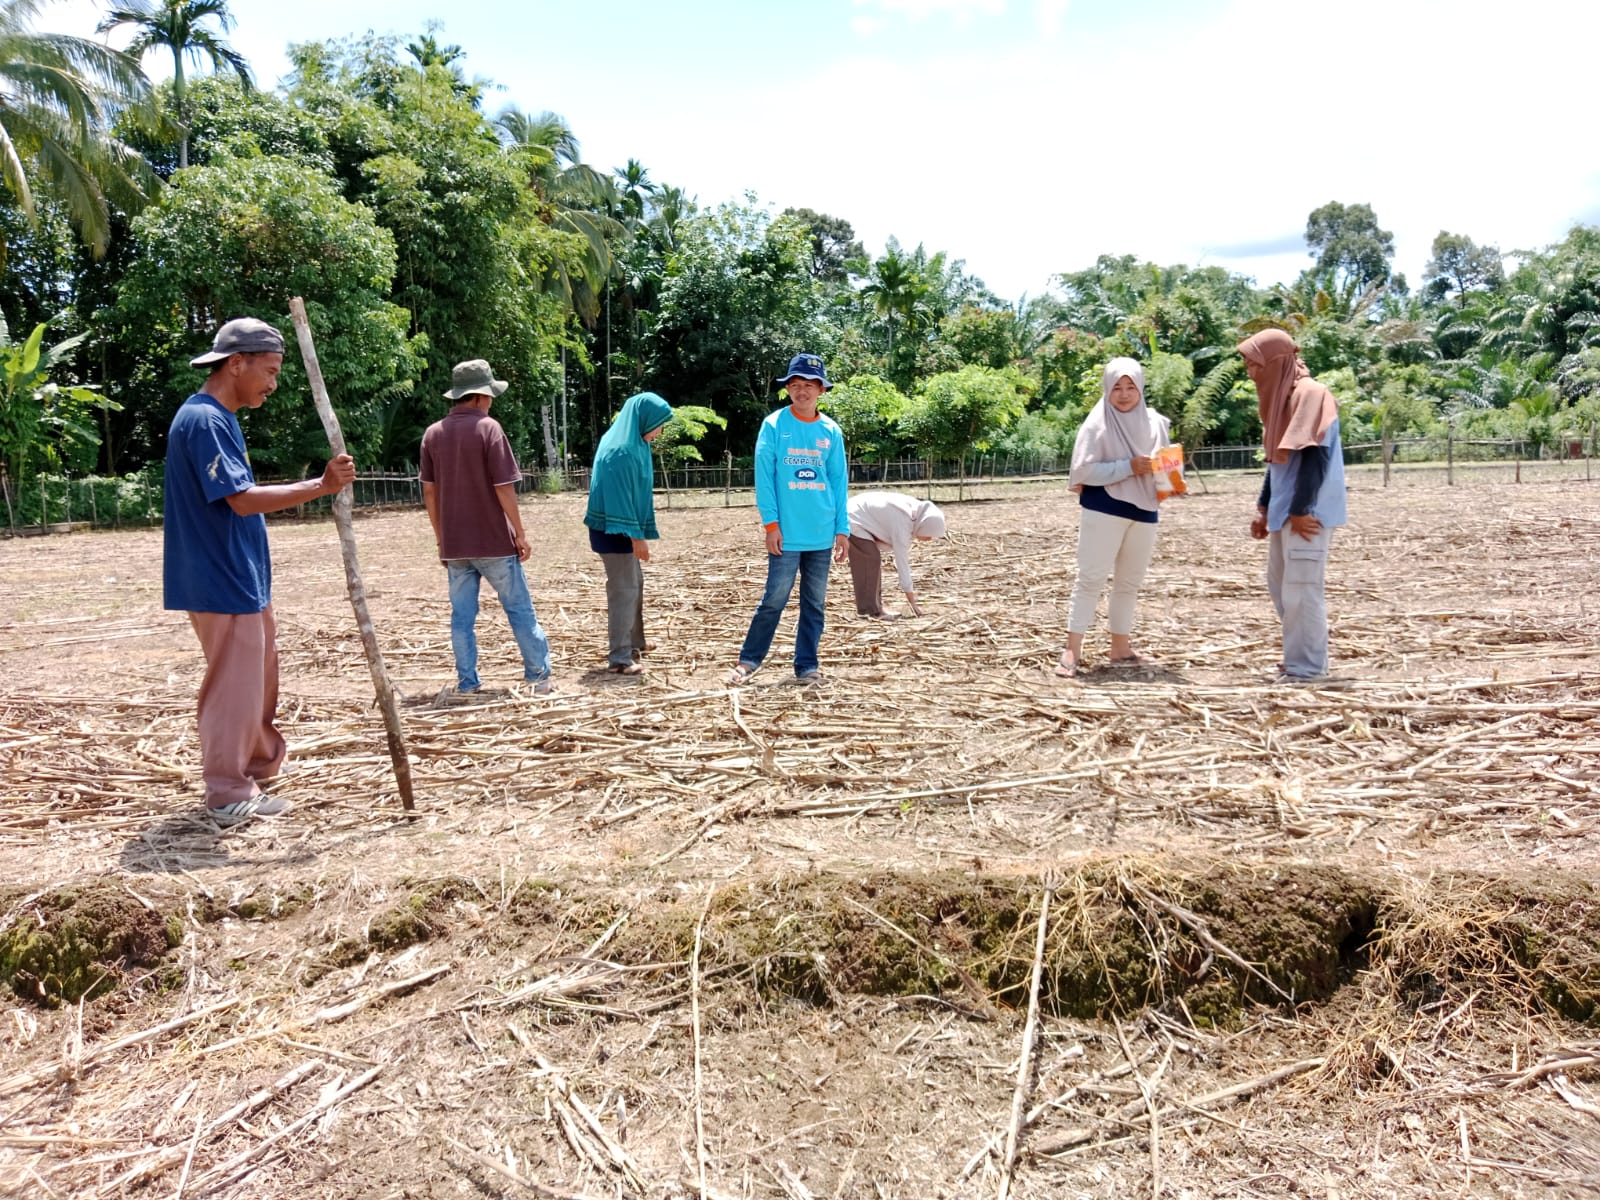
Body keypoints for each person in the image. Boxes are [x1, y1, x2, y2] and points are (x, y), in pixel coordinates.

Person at [163, 317, 356, 826]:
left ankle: (257, 766)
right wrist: (320, 486)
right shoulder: (204, 420)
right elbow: (242, 500)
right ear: (236, 364)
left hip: (238, 576)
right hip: (218, 577)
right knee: (234, 686)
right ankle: (227, 791)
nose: (272, 384)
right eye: (268, 372)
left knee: (258, 679)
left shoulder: (219, 419)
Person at [420, 359, 554, 696]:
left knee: (462, 617)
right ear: (480, 396)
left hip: (455, 547)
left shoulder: (433, 434)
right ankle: (538, 677)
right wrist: (520, 533)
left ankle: (468, 682)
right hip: (494, 542)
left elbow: (430, 492)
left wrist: (441, 540)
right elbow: (504, 486)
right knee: (519, 609)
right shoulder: (489, 428)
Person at [728, 353, 850, 684]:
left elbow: (839, 482)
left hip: (822, 533)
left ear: (821, 390)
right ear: (788, 390)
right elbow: (764, 478)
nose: (802, 391)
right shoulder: (774, 425)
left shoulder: (831, 431)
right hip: (786, 534)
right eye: (795, 385)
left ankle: (807, 666)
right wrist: (771, 525)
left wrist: (842, 530)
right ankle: (748, 661)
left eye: (809, 385)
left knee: (815, 603)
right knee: (774, 599)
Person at [1238, 329, 1347, 682]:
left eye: (1255, 365)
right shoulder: (1281, 397)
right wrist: (1264, 507)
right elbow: (1278, 460)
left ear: (1275, 363)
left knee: (1302, 589)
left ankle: (1308, 669)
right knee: (1282, 585)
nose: (1251, 373)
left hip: (1306, 514)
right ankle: (1297, 657)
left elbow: (1314, 455)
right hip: (1287, 511)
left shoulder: (1311, 395)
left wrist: (1301, 510)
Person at [1056, 357, 1173, 678]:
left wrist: (1171, 481)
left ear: (1140, 388)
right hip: (1104, 506)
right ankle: (1072, 650)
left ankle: (1120, 647)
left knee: (1129, 584)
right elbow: (1084, 470)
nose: (1123, 394)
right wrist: (1127, 467)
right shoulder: (1097, 424)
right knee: (1090, 579)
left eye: (1130, 387)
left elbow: (1163, 464)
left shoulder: (1155, 423)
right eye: (1117, 388)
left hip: (1146, 509)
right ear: (1107, 389)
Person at [584, 391, 674, 675]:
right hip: (614, 531)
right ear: (643, 419)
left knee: (635, 584)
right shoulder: (621, 451)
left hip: (621, 528)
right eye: (658, 423)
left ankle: (636, 643)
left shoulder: (633, 443)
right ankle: (620, 658)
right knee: (623, 591)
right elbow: (620, 500)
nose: (660, 430)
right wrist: (638, 539)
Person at [845, 491, 946, 618]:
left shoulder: (913, 513)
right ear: (923, 525)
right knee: (869, 559)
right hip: (852, 517)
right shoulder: (903, 524)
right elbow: (902, 564)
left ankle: (876, 608)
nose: (929, 538)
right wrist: (912, 602)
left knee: (872, 560)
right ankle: (869, 611)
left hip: (858, 513)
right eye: (929, 533)